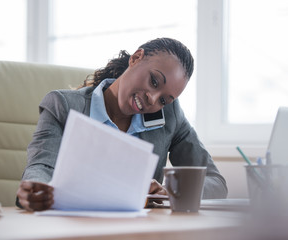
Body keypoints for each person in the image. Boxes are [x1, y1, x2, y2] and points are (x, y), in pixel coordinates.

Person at [16, 37, 228, 211]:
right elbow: (41, 166)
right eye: (154, 81)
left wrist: (170, 191)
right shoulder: (63, 105)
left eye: (164, 99)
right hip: (73, 227)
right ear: (136, 58)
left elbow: (215, 182)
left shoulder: (169, 116)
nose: (153, 100)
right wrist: (37, 187)